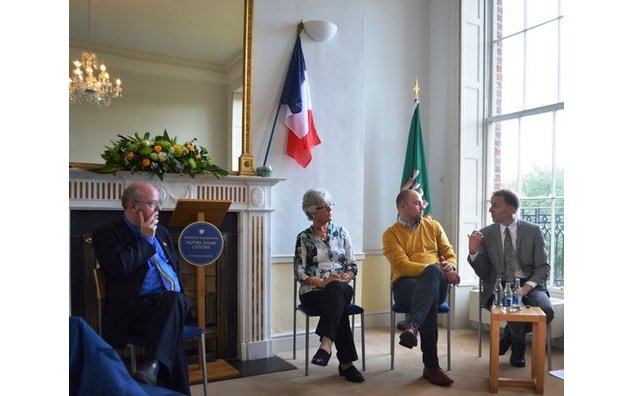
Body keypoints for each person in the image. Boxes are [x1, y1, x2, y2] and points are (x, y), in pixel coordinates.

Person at [93, 181, 192, 395]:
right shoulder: (107, 234)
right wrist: (146, 241)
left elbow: (174, 267)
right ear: (133, 206)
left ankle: (152, 367)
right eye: (153, 203)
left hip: (167, 305)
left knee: (175, 302)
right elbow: (118, 267)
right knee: (171, 321)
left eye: (158, 203)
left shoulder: (163, 233)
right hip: (134, 311)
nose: (159, 209)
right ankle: (159, 371)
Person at [467, 188, 554, 368]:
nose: (490, 210)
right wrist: (473, 251)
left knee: (547, 311)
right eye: (491, 206)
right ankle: (518, 349)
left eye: (495, 206)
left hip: (529, 284)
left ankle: (508, 336)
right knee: (513, 306)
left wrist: (526, 288)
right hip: (499, 285)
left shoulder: (533, 231)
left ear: (511, 209)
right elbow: (483, 273)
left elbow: (543, 267)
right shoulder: (485, 234)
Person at [382, 189, 460, 387]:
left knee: (432, 282)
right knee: (429, 298)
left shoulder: (434, 226)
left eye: (421, 202)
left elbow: (449, 254)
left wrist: (450, 265)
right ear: (402, 207)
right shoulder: (390, 234)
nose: (422, 205)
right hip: (405, 286)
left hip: (438, 283)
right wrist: (432, 269)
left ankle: (413, 325)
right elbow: (402, 265)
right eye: (417, 202)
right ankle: (431, 367)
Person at [294, 188, 364, 383]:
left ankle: (326, 345)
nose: (329, 209)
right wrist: (323, 282)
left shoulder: (342, 233)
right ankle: (346, 364)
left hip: (341, 287)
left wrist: (345, 277)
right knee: (337, 303)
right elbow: (299, 271)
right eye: (323, 207)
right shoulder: (304, 237)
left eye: (330, 205)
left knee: (336, 290)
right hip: (313, 291)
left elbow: (352, 265)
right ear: (311, 212)